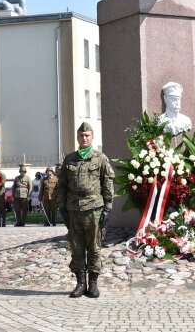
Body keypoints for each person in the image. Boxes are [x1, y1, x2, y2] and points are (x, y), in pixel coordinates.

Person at [57, 122, 114, 299]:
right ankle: (81, 283)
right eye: (81, 135)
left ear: (92, 137)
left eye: (87, 135)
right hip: (74, 209)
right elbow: (62, 186)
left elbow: (108, 184)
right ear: (77, 137)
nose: (84, 138)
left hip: (94, 209)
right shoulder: (69, 159)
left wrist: (108, 208)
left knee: (95, 247)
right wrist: (62, 207)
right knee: (76, 247)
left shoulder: (100, 158)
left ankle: (94, 284)